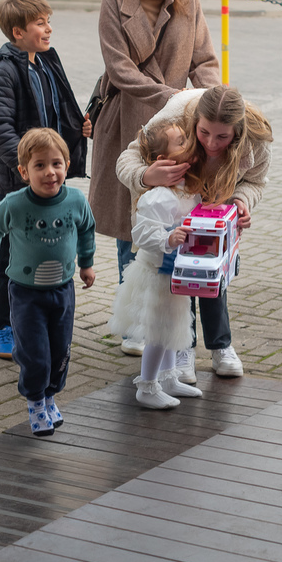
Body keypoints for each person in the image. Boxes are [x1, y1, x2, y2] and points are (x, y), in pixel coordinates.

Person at [90, 0, 221, 357]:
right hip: (127, 120)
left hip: (180, 128)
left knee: (180, 217)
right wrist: (175, 98)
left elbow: (204, 60)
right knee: (133, 223)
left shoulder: (191, 0)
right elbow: (120, 67)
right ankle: (136, 323)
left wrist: (208, 102)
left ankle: (178, 320)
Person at [116, 84, 272, 379]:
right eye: (204, 133)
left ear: (237, 131)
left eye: (223, 137)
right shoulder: (176, 114)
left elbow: (256, 181)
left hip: (215, 215)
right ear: (193, 122)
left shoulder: (255, 139)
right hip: (176, 215)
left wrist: (241, 202)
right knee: (179, 282)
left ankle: (221, 345)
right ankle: (182, 349)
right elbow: (128, 158)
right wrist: (146, 175)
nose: (212, 143)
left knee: (214, 277)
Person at [0, 0, 91, 361]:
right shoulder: (0, 71)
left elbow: (56, 112)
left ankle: (38, 318)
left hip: (44, 180)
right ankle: (4, 326)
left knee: (44, 247)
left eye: (48, 20)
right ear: (17, 31)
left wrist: (78, 128)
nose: (49, 28)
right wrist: (28, 172)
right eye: (40, 23)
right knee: (10, 254)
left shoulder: (42, 62)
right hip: (17, 182)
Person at [0, 128, 96, 435]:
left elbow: (86, 230)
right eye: (39, 165)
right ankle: (34, 402)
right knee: (36, 353)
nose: (50, 172)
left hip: (63, 290)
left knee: (60, 351)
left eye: (56, 164)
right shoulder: (15, 204)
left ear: (67, 166)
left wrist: (87, 264)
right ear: (23, 171)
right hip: (26, 295)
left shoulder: (75, 200)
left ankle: (50, 395)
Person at [107, 122, 206, 408]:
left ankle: (169, 376)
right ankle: (147, 385)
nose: (189, 142)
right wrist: (168, 238)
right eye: (181, 141)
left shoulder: (187, 188)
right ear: (164, 160)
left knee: (175, 325)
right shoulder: (158, 196)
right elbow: (140, 233)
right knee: (158, 331)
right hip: (159, 273)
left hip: (178, 272)